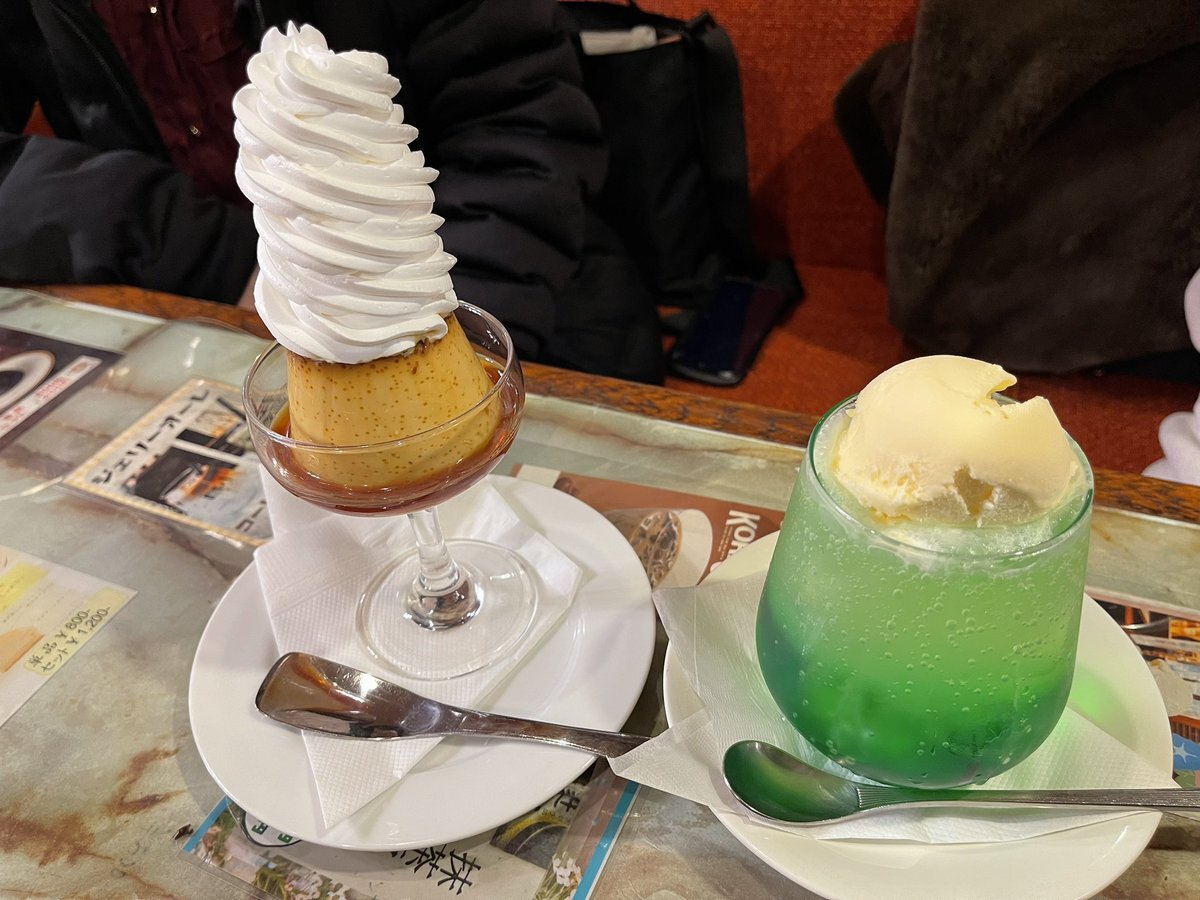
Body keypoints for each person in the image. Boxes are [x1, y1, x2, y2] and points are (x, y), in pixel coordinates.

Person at [0, 0, 663, 383]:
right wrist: (188, 243)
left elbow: (522, 124)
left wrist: (426, 344)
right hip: (193, 328)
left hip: (492, 295)